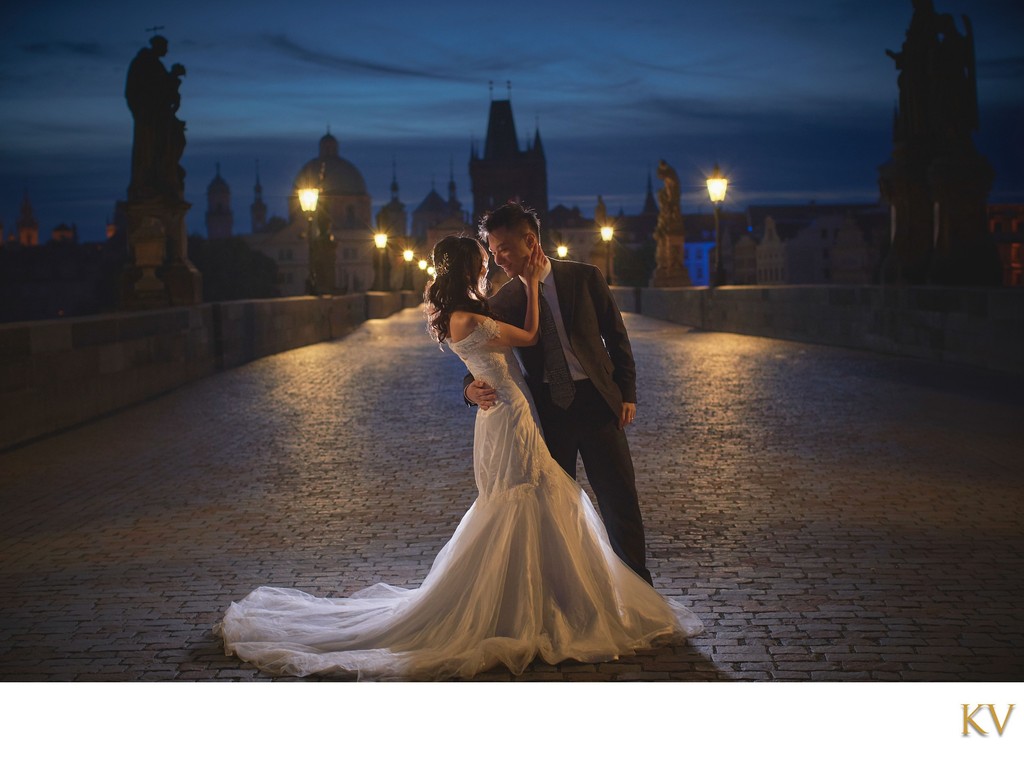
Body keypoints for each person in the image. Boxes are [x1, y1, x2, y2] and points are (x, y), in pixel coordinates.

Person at [216, 235, 701, 680]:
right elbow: (518, 341)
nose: (495, 261)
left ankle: (560, 598)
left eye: (500, 251)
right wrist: (476, 377)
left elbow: (602, 339)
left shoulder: (522, 293)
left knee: (562, 501)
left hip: (541, 409)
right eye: (487, 256)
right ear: (472, 265)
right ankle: (534, 608)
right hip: (511, 412)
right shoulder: (493, 303)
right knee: (527, 498)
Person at [466, 202, 653, 584]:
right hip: (548, 413)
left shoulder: (585, 278)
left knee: (620, 502)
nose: (497, 257)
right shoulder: (502, 303)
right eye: (492, 249)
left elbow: (617, 339)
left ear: (530, 241)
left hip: (598, 403)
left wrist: (627, 393)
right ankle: (565, 597)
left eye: (502, 248)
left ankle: (640, 591)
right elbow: (476, 355)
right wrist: (469, 390)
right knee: (555, 508)